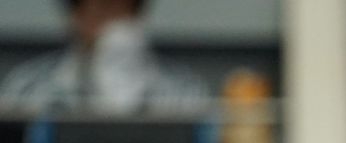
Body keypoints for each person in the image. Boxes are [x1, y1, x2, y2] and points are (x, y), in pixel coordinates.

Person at [0, 0, 208, 115]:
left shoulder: (184, 91)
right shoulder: (25, 89)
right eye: (102, 13)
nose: (114, 26)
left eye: (123, 13)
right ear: (76, 17)